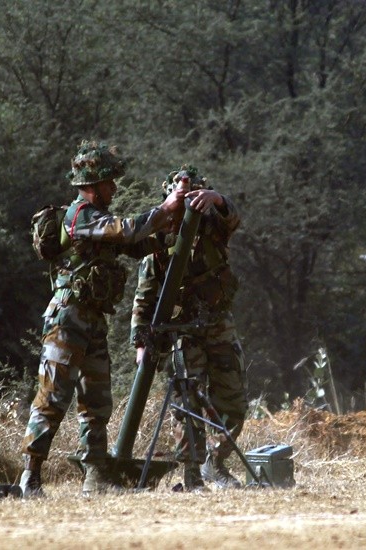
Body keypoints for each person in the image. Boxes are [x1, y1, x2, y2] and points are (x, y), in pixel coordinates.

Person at [18, 140, 184, 497]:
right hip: (67, 319)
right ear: (92, 185)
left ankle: (95, 477)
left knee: (96, 403)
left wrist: (174, 224)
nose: (114, 189)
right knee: (52, 398)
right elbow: (127, 230)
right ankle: (30, 477)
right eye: (110, 183)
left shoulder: (98, 220)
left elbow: (137, 244)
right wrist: (164, 208)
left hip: (92, 321)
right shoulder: (80, 216)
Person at [130, 165, 247, 490]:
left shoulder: (214, 227)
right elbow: (144, 296)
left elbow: (233, 218)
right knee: (186, 403)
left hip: (218, 323)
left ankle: (215, 463)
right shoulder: (159, 238)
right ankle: (191, 476)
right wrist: (140, 342)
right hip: (181, 330)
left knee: (234, 398)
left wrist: (217, 199)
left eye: (194, 195)